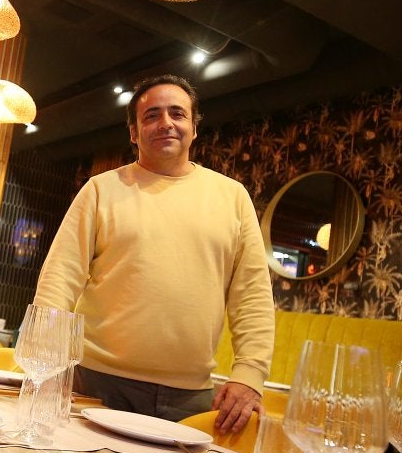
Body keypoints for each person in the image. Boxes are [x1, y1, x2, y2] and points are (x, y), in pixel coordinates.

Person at [33, 74, 273, 434]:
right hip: (96, 383)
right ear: (133, 133)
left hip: (192, 397)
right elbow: (60, 279)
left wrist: (250, 375)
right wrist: (44, 364)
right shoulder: (100, 190)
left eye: (178, 114)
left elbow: (252, 294)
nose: (166, 123)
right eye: (151, 115)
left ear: (194, 127)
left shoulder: (232, 196)